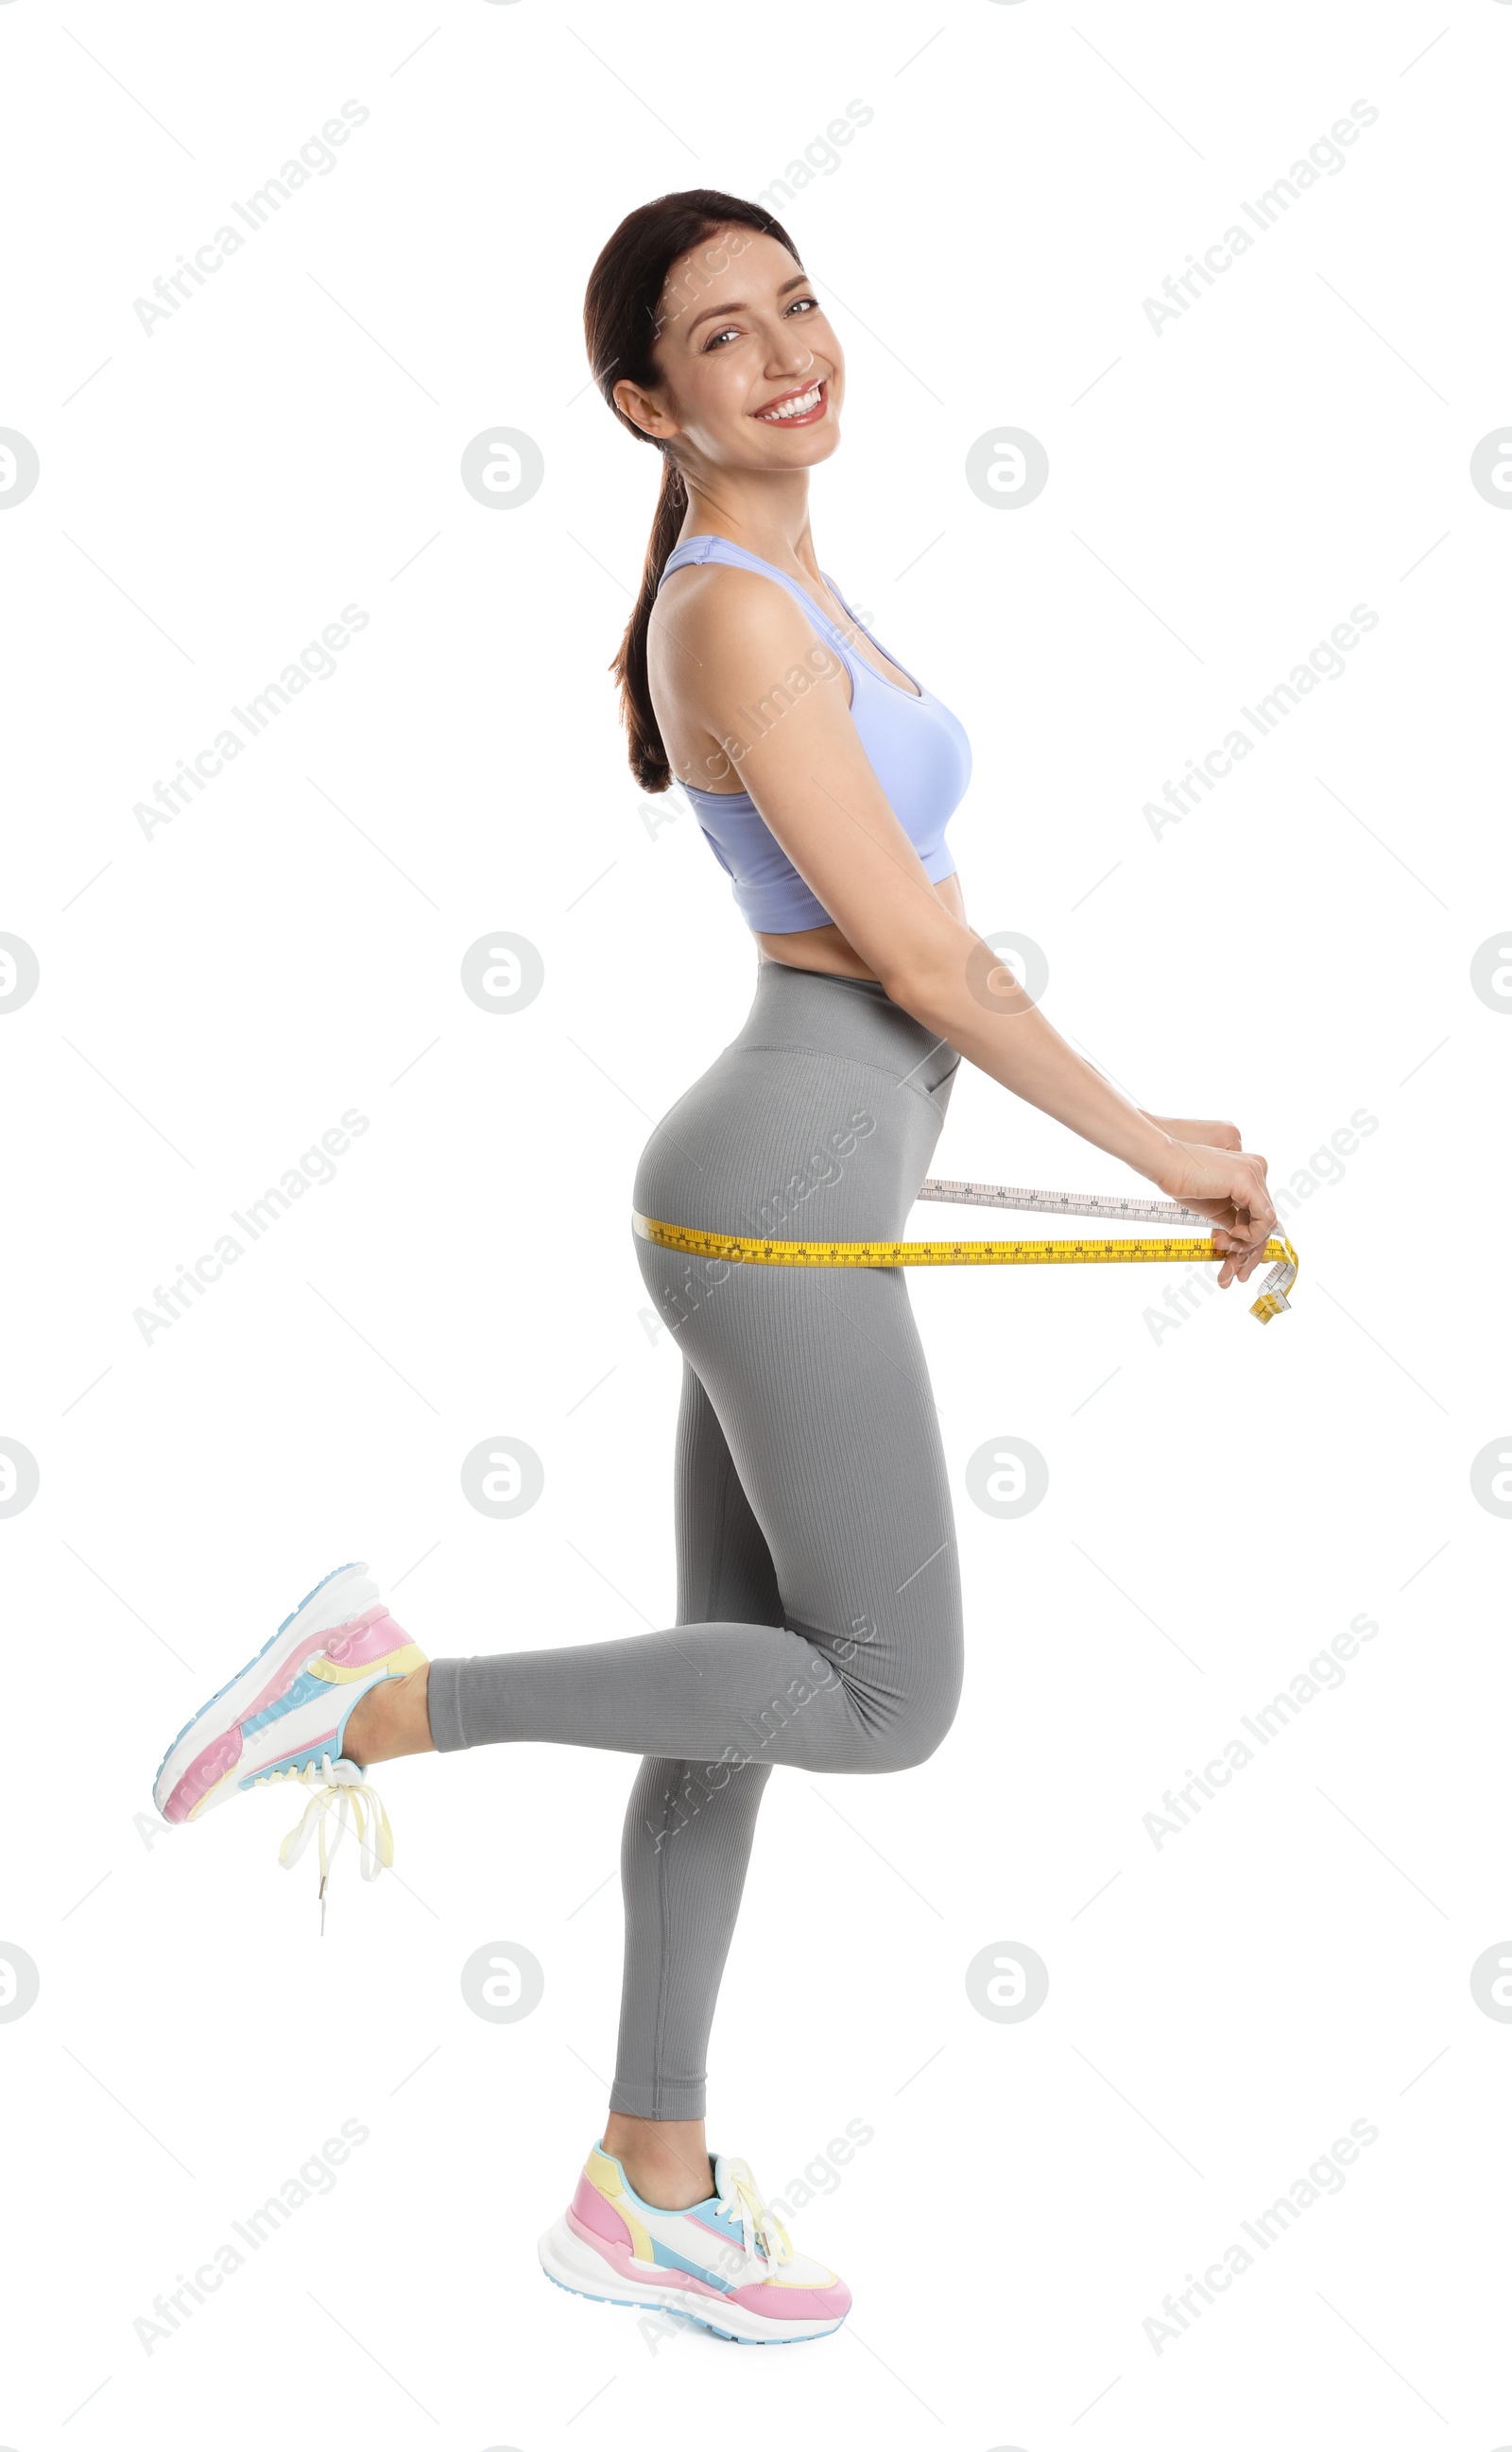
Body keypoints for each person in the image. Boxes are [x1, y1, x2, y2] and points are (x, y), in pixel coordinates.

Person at [151, 189, 1275, 2346]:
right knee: (889, 1699)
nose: (788, 355)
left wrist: (1150, 1138)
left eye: (801, 304)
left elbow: (914, 920)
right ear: (642, 402)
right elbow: (922, 953)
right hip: (780, 1196)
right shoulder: (729, 617)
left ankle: (642, 2179)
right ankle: (373, 1701)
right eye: (724, 337)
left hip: (785, 1179)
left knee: (736, 1697)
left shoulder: (783, 581)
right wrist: (1151, 1141)